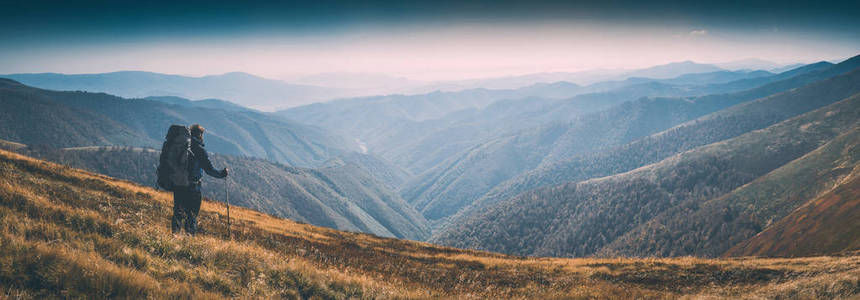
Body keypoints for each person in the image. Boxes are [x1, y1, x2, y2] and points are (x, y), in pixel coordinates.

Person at [172, 124, 228, 235]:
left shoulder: (181, 146)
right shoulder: (199, 150)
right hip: (193, 187)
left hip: (178, 185)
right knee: (191, 215)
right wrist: (222, 174)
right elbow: (209, 170)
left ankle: (174, 237)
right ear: (200, 135)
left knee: (178, 213)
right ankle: (189, 241)